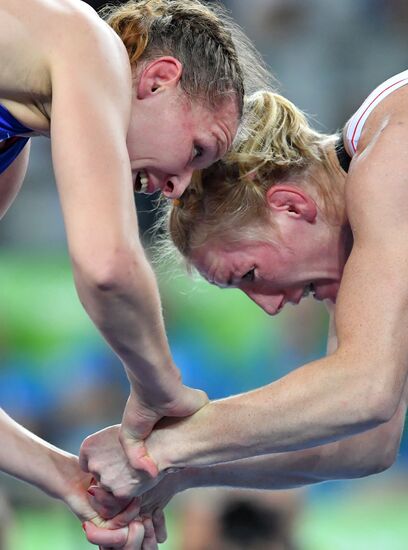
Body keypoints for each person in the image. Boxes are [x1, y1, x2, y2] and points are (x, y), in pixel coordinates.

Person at [81, 70, 408, 545]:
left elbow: (366, 390)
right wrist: (179, 473)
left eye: (249, 274)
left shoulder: (390, 154)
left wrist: (164, 447)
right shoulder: (369, 238)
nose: (272, 306)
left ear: (291, 206)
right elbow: (364, 442)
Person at [0, 0, 270, 544]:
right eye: (198, 150)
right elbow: (107, 267)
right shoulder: (84, 39)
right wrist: (161, 390)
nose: (177, 188)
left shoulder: (13, 146)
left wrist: (68, 479)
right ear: (159, 80)